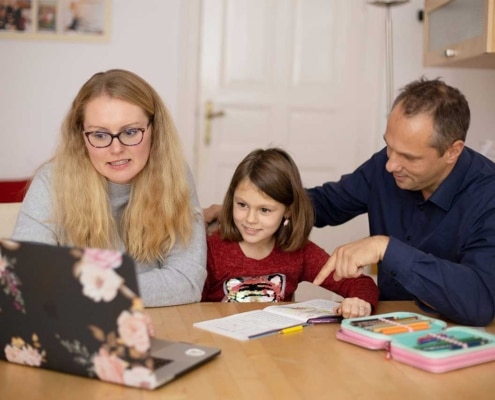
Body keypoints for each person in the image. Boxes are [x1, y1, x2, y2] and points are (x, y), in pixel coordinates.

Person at [204, 77, 495, 326]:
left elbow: (480, 302)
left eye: (409, 157)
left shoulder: (488, 196)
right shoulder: (385, 166)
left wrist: (385, 248)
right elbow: (325, 203)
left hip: (455, 332)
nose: (391, 165)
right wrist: (263, 204)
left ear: (452, 151)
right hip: (388, 323)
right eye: (389, 147)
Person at [12, 69, 206, 307]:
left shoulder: (175, 175)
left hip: (160, 323)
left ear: (155, 129)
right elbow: (27, 279)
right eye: (100, 135)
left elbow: (187, 281)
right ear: (81, 136)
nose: (116, 149)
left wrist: (79, 287)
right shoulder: (50, 182)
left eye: (131, 132)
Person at [202, 147, 379, 318]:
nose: (250, 219)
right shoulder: (212, 250)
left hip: (277, 346)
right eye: (242, 205)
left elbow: (361, 283)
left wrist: (359, 302)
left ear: (288, 211)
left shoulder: (299, 252)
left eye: (264, 210)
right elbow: (189, 306)